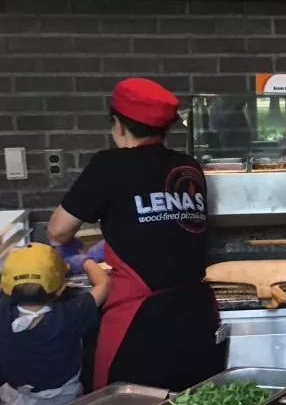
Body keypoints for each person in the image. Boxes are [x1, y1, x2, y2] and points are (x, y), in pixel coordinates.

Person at [47, 77, 226, 392]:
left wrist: (83, 257)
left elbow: (58, 231)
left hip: (141, 323)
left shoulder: (109, 165)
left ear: (117, 125)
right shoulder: (188, 167)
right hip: (196, 314)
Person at [0, 243, 109, 404]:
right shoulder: (71, 314)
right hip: (65, 399)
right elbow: (104, 284)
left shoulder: (2, 311)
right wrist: (85, 261)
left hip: (13, 398)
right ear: (60, 289)